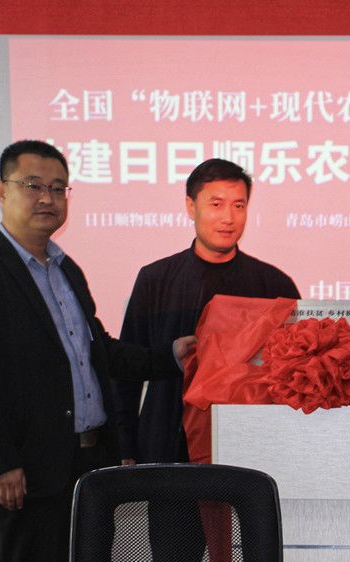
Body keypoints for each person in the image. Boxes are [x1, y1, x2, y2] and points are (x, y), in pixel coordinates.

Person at [0, 140, 193, 562]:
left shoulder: (66, 269)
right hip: (27, 473)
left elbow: (99, 353)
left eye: (58, 188)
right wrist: (0, 463)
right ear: (2, 191)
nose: (48, 198)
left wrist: (169, 356)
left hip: (88, 467)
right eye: (33, 185)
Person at [112, 158, 300, 465]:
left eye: (239, 206)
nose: (228, 217)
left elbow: (296, 374)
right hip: (165, 443)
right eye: (216, 204)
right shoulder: (155, 279)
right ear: (191, 206)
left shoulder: (274, 285)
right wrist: (124, 447)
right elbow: (126, 370)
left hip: (251, 446)